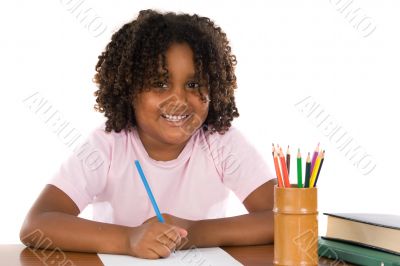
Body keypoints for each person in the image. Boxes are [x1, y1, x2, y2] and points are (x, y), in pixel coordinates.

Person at [20, 9, 276, 259]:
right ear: (129, 90)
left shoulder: (221, 142)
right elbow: (37, 225)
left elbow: (284, 218)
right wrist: (128, 239)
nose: (179, 100)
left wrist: (193, 232)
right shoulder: (107, 145)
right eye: (160, 84)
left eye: (193, 84)